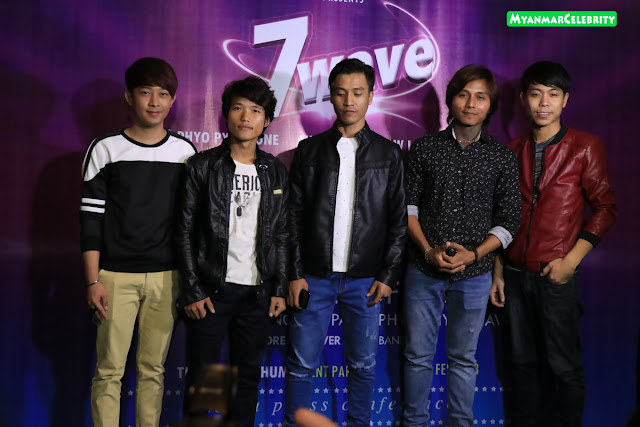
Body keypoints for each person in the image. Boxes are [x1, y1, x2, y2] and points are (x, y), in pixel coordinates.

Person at [490, 61, 617, 427]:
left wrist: (570, 262)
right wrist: (499, 270)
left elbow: (605, 208)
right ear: (523, 99)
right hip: (515, 276)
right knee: (521, 366)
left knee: (564, 367)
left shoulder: (585, 146)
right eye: (536, 94)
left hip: (556, 275)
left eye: (552, 94)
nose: (543, 102)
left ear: (565, 100)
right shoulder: (512, 149)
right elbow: (503, 215)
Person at [284, 58, 407, 427]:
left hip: (365, 281)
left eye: (357, 92)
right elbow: (292, 217)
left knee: (363, 367)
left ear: (370, 96)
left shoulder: (389, 154)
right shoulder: (309, 150)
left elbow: (398, 221)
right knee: (301, 365)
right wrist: (294, 273)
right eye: (340, 93)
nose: (349, 101)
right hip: (313, 278)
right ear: (331, 97)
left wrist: (387, 275)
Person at [402, 65, 521, 427]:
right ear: (450, 100)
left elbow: (509, 220)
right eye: (463, 94)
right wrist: (428, 251)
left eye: (480, 97)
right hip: (423, 269)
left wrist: (476, 254)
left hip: (476, 274)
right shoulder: (424, 148)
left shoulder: (501, 157)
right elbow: (407, 209)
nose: (471, 103)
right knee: (417, 357)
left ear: (491, 105)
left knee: (463, 360)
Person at [81, 57, 196, 426]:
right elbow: (90, 221)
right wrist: (93, 280)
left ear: (172, 100)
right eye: (145, 92)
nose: (154, 102)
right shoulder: (105, 149)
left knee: (153, 371)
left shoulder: (185, 153)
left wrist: (186, 280)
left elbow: (191, 224)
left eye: (163, 94)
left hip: (166, 277)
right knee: (109, 372)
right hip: (114, 278)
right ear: (129, 96)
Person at [176, 76, 288, 427]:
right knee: (205, 380)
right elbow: (183, 230)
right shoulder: (202, 165)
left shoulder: (275, 170)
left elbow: (282, 233)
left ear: (266, 121)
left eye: (255, 110)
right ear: (226, 115)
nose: (245, 116)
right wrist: (193, 289)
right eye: (238, 108)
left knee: (246, 380)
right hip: (211, 292)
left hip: (257, 294)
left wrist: (279, 288)